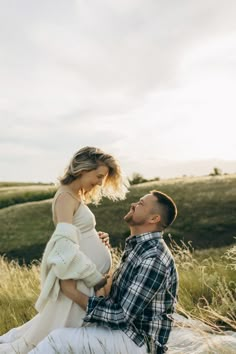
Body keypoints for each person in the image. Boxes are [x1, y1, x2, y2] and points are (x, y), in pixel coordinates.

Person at [0, 146, 128, 354]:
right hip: (77, 281)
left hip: (82, 279)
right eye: (98, 176)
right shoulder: (66, 197)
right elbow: (64, 245)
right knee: (52, 336)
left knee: (63, 335)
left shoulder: (74, 196)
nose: (100, 182)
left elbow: (76, 233)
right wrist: (96, 279)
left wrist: (95, 236)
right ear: (82, 169)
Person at [29, 190, 179, 354]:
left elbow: (120, 316)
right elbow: (116, 296)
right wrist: (102, 249)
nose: (133, 205)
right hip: (123, 333)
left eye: (141, 204)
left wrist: (72, 293)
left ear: (153, 219)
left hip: (138, 342)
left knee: (56, 340)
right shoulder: (139, 247)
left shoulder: (153, 258)